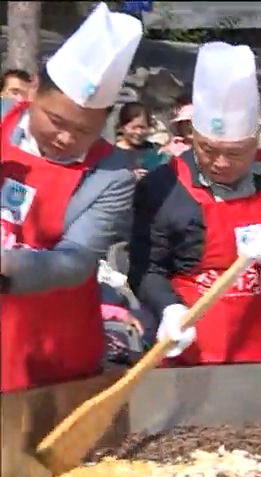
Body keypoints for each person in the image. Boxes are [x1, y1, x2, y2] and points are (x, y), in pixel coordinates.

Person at [129, 42, 261, 366]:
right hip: (192, 349)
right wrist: (168, 307)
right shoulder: (162, 186)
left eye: (235, 153)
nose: (220, 162)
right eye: (208, 150)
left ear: (255, 140)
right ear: (193, 136)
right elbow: (145, 267)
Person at [0, 4, 141, 393]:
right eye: (56, 121)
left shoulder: (112, 173)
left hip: (55, 340)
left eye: (84, 131)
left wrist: (8, 264)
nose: (65, 139)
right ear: (32, 91)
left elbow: (76, 260)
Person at [114, 102, 167, 181]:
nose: (139, 132)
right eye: (134, 128)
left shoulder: (155, 152)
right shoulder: (111, 155)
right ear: (122, 127)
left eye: (142, 127)